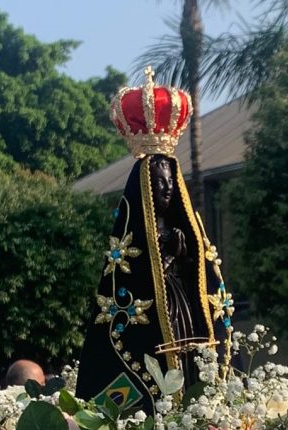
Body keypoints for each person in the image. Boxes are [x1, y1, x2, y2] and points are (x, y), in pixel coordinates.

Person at [76, 68, 230, 414]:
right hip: (156, 315)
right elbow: (137, 283)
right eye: (159, 183)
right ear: (144, 185)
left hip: (182, 307)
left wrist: (182, 252)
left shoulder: (181, 228)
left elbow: (195, 270)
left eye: (171, 183)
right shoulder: (134, 237)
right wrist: (167, 253)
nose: (167, 190)